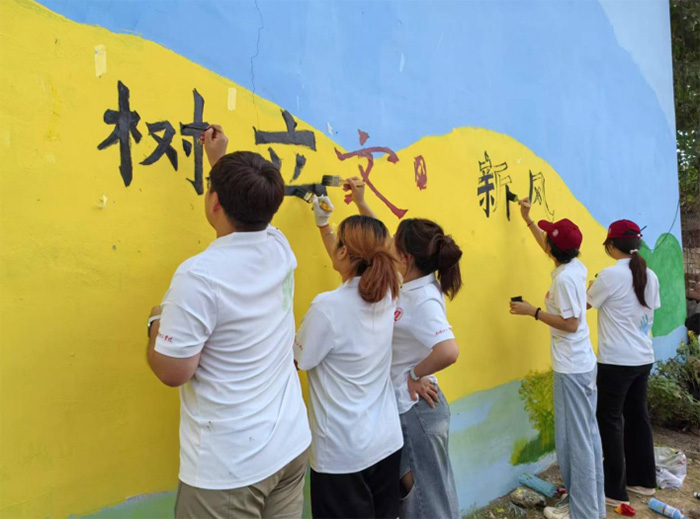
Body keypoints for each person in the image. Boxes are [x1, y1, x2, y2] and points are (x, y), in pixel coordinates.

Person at [145, 125, 311, 519]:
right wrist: (220, 163)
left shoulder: (199, 276)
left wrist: (155, 322)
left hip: (232, 470)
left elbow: (173, 371)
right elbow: (252, 213)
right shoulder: (279, 246)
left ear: (214, 202)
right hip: (289, 446)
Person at [341, 179, 463, 518]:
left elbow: (449, 350)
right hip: (412, 409)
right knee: (418, 496)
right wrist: (362, 202)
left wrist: (414, 373)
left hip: (417, 411)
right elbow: (380, 241)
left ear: (406, 257)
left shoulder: (423, 298)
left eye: (394, 243)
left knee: (428, 501)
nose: (388, 245)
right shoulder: (409, 280)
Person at [294, 198, 404, 519]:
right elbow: (372, 253)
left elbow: (299, 360)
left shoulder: (327, 307)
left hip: (343, 455)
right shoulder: (390, 291)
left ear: (344, 253)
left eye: (339, 244)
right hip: (386, 443)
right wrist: (324, 226)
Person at [510, 198, 605, 519]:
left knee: (576, 443)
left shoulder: (564, 279)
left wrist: (533, 311)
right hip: (581, 365)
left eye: (549, 239)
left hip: (572, 369)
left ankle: (584, 512)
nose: (546, 243)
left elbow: (572, 323)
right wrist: (527, 219)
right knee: (585, 437)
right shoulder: (574, 267)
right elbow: (547, 246)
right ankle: (589, 505)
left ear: (555, 250)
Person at [587, 220, 661, 507]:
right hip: (643, 358)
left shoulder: (609, 276)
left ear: (611, 245)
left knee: (610, 421)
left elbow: (584, 305)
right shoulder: (649, 275)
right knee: (638, 417)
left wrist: (589, 288)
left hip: (616, 362)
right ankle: (643, 481)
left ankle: (614, 490)